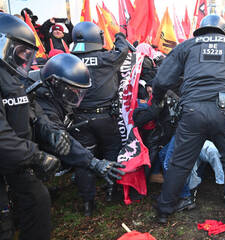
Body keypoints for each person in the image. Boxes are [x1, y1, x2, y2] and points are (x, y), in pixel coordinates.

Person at [152, 14, 225, 231]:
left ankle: (163, 211)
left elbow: (162, 80)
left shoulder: (187, 45)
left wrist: (158, 99)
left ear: (201, 30)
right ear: (223, 31)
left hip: (192, 111)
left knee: (180, 162)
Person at [28, 53, 126, 216]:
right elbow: (53, 131)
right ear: (55, 83)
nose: (75, 97)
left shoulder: (51, 92)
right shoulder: (41, 97)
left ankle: (89, 204)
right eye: (71, 91)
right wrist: (94, 163)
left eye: (79, 92)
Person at [0, 13, 61, 240]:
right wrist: (36, 157)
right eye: (21, 50)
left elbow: (32, 112)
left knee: (37, 200)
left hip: (14, 161)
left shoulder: (11, 77)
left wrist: (51, 132)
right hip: (14, 155)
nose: (26, 57)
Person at [70, 21, 129, 202]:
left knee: (84, 158)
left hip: (79, 118)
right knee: (112, 150)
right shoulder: (107, 59)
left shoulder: (70, 60)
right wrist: (120, 36)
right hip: (105, 117)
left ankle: (88, 203)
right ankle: (112, 192)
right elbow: (123, 50)